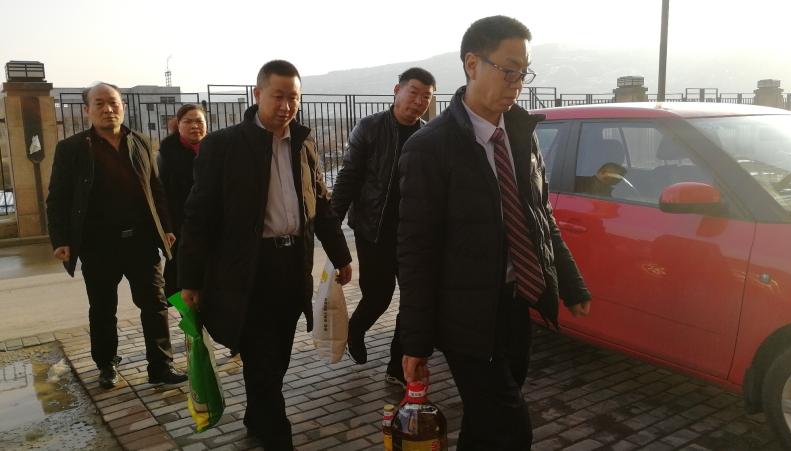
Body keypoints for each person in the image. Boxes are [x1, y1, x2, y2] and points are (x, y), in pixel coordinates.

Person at [396, 16, 592, 450]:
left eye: (523, 72)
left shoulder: (520, 134)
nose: (517, 83)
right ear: (472, 64)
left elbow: (539, 216)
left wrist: (571, 283)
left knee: (485, 422)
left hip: (516, 303)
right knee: (511, 428)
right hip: (463, 316)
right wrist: (415, 341)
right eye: (508, 70)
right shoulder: (430, 148)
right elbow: (416, 252)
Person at [178, 60, 352, 450]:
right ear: (258, 94)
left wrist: (341, 255)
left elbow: (321, 204)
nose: (286, 106)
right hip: (248, 272)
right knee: (261, 358)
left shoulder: (303, 144)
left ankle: (257, 416)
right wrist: (189, 280)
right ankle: (276, 435)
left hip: (292, 268)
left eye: (294, 97)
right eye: (278, 96)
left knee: (278, 357)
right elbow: (198, 216)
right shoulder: (224, 146)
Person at [46, 82, 187, 389]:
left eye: (113, 103)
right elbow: (57, 197)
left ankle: (161, 366)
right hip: (97, 244)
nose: (108, 109)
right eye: (99, 104)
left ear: (123, 106)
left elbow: (156, 189)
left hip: (141, 241)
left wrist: (166, 227)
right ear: (87, 110)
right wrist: (60, 240)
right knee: (102, 308)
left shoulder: (139, 141)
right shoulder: (72, 148)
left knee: (155, 304)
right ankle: (106, 364)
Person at [331, 67, 435, 387]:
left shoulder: (429, 136)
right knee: (378, 297)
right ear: (397, 90)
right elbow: (349, 178)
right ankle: (355, 329)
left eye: (426, 97)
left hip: (413, 235)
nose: (419, 101)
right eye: (413, 92)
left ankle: (396, 366)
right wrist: (331, 230)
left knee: (415, 300)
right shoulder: (370, 128)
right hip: (373, 231)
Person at [157, 104, 207, 297]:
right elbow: (161, 194)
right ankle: (187, 316)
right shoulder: (167, 154)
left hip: (212, 226)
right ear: (178, 125)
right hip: (180, 227)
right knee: (179, 278)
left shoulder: (216, 149)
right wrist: (167, 227)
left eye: (199, 121)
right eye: (188, 121)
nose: (194, 126)